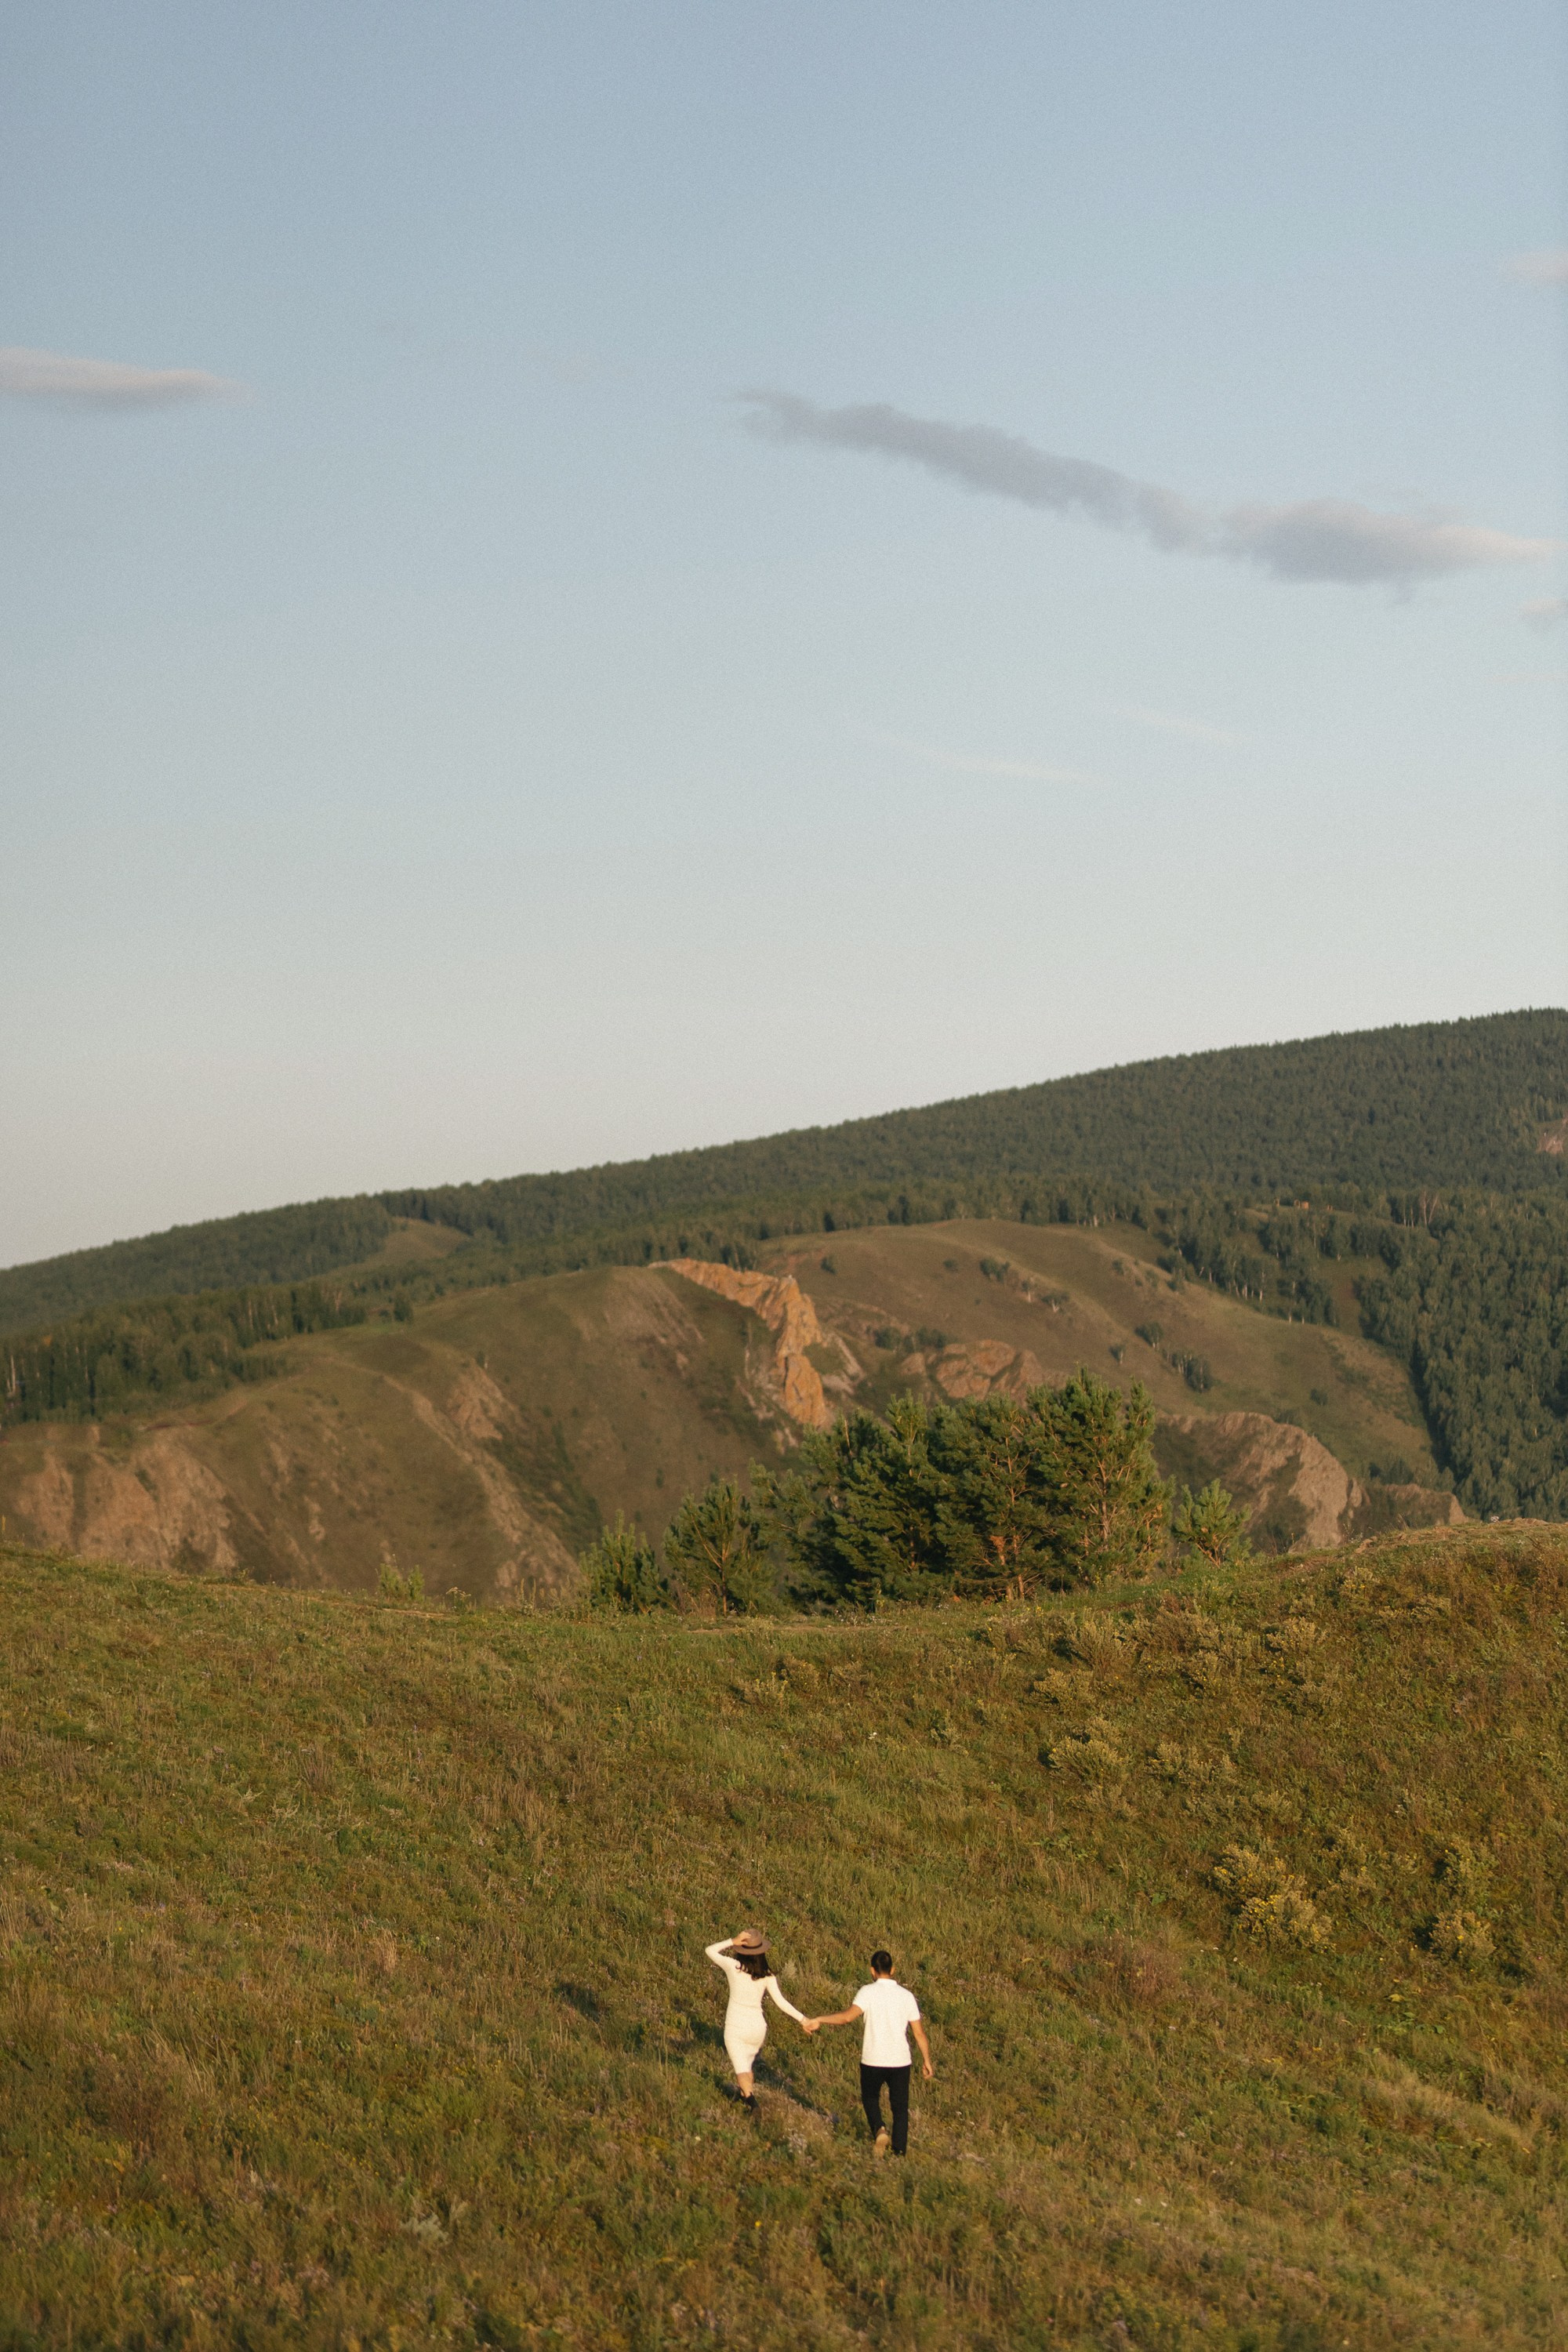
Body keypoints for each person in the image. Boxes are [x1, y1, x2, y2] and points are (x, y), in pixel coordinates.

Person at [807, 1949, 932, 2156]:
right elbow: (919, 2033)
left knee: (870, 2098)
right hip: (900, 2060)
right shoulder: (907, 1996)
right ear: (893, 1970)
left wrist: (820, 2019)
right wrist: (926, 2060)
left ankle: (879, 2128)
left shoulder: (867, 1991)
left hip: (873, 2058)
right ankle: (899, 2153)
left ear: (872, 1971)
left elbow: (847, 2017)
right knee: (900, 2108)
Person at [705, 1929, 811, 2111]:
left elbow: (710, 1951)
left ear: (742, 1950)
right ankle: (743, 2096)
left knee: (741, 2068)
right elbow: (781, 2002)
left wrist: (733, 1940)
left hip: (736, 2026)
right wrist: (803, 2019)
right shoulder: (768, 1976)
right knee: (747, 2066)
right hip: (757, 2028)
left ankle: (752, 2103)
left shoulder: (733, 1967)